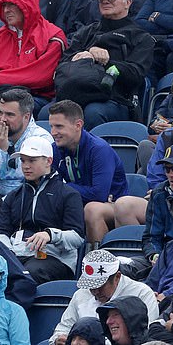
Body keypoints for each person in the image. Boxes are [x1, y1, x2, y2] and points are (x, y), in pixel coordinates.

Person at [53, 0, 154, 129]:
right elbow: (63, 63)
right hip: (76, 93)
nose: (105, 1)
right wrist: (86, 55)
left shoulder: (141, 37)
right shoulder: (86, 32)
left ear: (128, 2)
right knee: (45, 113)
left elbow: (136, 75)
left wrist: (106, 61)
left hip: (115, 98)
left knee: (93, 113)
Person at [0, 137, 85, 282]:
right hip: (16, 255)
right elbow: (1, 232)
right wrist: (8, 252)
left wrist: (50, 235)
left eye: (32, 160)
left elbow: (78, 237)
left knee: (27, 273)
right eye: (23, 160)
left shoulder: (69, 194)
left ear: (48, 161)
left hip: (55, 259)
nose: (26, 166)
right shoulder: (12, 196)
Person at [47, 99, 129, 244]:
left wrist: (63, 189)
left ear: (78, 125)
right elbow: (50, 187)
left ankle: (98, 261)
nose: (53, 132)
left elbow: (98, 194)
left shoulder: (99, 149)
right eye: (51, 126)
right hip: (79, 202)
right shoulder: (55, 149)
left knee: (92, 210)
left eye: (59, 126)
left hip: (111, 205)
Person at [50, 250, 159, 345]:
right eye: (90, 287)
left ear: (117, 277)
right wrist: (59, 339)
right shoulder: (80, 295)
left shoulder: (141, 293)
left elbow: (148, 336)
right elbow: (63, 329)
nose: (95, 291)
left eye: (100, 286)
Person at [0, 88, 54, 195]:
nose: (2, 119)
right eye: (0, 113)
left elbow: (34, 183)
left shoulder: (41, 139)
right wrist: (1, 151)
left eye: (10, 115)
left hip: (27, 199)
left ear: (26, 117)